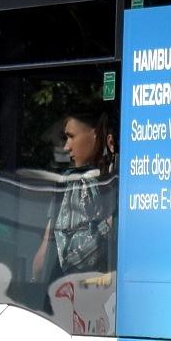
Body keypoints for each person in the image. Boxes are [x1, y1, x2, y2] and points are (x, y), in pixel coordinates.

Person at [30, 100, 116, 286]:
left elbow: (41, 262)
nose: (67, 147)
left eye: (71, 136)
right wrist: (109, 224)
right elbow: (69, 257)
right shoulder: (75, 184)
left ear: (95, 134)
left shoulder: (98, 180)